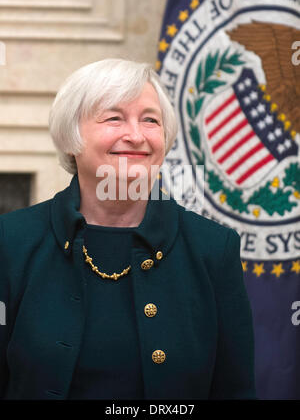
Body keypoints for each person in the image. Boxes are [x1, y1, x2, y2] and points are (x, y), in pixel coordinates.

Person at [0, 58, 256, 400]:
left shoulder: (214, 248)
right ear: (70, 136)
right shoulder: (10, 241)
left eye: (150, 120)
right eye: (114, 118)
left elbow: (236, 391)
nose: (136, 135)